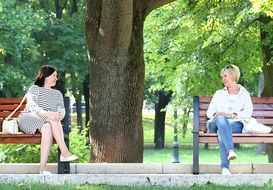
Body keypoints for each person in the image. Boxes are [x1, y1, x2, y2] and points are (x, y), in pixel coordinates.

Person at [18, 65, 78, 174]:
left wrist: (59, 115)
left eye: (56, 76)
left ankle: (42, 168)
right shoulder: (34, 89)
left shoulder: (57, 93)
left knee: (48, 128)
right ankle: (64, 152)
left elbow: (61, 109)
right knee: (52, 119)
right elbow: (32, 106)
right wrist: (48, 114)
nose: (56, 78)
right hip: (29, 118)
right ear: (46, 76)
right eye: (54, 75)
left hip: (46, 122)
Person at [206, 64, 253, 175]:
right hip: (216, 123)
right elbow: (209, 112)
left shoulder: (244, 94)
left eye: (225, 76)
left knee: (222, 131)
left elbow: (248, 112)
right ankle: (230, 150)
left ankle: (225, 168)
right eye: (222, 76)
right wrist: (219, 114)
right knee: (222, 121)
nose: (223, 79)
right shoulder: (219, 93)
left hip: (235, 124)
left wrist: (231, 115)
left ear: (233, 76)